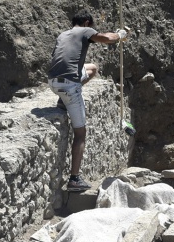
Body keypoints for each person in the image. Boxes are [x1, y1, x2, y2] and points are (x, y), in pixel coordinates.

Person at [49, 13, 127, 191]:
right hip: (69, 85)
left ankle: (63, 101)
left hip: (53, 82)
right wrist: (120, 35)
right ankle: (74, 179)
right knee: (80, 133)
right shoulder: (85, 30)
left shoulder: (63, 34)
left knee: (92, 68)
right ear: (86, 23)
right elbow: (106, 38)